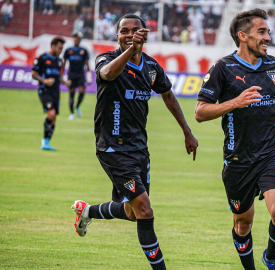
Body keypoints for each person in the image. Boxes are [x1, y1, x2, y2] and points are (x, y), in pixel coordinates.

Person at [71, 14, 198, 270]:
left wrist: (187, 131)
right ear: (117, 35)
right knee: (145, 210)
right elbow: (106, 74)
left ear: (144, 33)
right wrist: (131, 50)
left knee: (131, 213)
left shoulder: (151, 67)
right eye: (123, 31)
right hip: (112, 148)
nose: (129, 34)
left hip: (139, 149)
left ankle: (87, 211)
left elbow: (168, 95)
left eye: (135, 30)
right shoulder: (106, 60)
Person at [195, 9, 275, 270]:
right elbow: (200, 112)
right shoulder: (223, 68)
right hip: (238, 159)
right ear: (243, 36)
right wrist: (235, 103)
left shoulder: (273, 65)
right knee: (243, 223)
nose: (268, 37)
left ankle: (271, 258)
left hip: (271, 151)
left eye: (268, 32)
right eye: (262, 32)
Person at [32, 36, 70, 151]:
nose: (61, 50)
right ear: (53, 46)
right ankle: (44, 142)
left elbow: (59, 76)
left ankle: (47, 142)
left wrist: (64, 81)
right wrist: (44, 81)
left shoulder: (59, 61)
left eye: (62, 48)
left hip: (56, 92)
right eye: (59, 48)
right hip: (44, 90)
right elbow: (34, 74)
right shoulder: (41, 58)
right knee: (51, 114)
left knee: (54, 118)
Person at [62, 32, 91, 120]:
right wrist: (62, 74)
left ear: (80, 40)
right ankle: (72, 113)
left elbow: (87, 63)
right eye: (75, 38)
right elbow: (64, 63)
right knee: (71, 92)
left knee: (82, 91)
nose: (76, 40)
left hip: (80, 75)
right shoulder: (68, 50)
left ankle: (77, 106)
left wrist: (89, 75)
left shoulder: (84, 51)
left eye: (78, 38)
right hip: (71, 74)